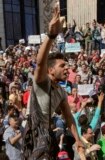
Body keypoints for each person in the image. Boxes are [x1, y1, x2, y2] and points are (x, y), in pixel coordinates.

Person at [28, 4, 83, 158]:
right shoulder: (41, 82)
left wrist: (78, 139)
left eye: (67, 65)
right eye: (62, 65)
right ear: (50, 70)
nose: (67, 68)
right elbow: (40, 63)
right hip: (34, 138)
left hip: (46, 138)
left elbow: (69, 117)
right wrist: (51, 35)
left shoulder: (61, 91)